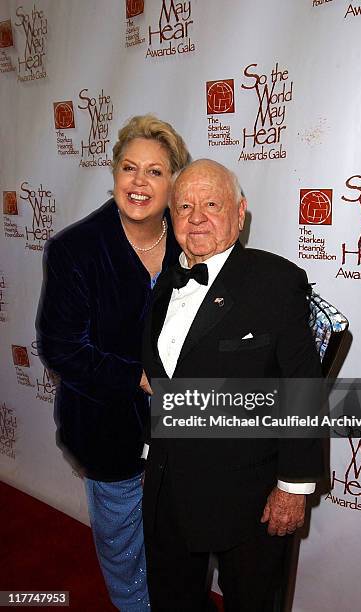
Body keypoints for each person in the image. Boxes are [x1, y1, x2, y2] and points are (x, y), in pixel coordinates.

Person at [141, 159, 323, 612]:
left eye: (211, 204)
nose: (196, 216)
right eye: (184, 206)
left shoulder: (276, 282)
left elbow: (303, 386)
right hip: (168, 487)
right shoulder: (166, 282)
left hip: (250, 497)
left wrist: (294, 487)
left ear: (240, 214)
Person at [36, 115, 190, 611]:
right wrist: (136, 378)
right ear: (115, 174)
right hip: (107, 427)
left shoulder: (193, 244)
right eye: (129, 168)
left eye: (155, 171)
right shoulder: (75, 250)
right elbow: (60, 347)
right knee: (124, 546)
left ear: (173, 184)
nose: (139, 182)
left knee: (174, 542)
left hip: (182, 428)